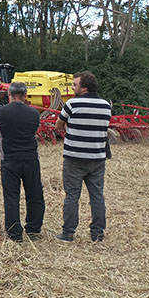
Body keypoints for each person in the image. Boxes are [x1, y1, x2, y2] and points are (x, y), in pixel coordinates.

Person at [54, 71, 112, 242]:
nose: (72, 87)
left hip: (74, 158)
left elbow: (58, 125)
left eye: (75, 85)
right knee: (97, 196)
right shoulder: (105, 106)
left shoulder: (72, 104)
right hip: (97, 158)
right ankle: (97, 233)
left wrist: (70, 129)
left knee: (72, 196)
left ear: (84, 87)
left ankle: (68, 233)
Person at [0, 82, 44, 242]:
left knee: (11, 197)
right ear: (25, 95)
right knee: (35, 195)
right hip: (31, 159)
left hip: (9, 160)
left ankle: (14, 233)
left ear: (9, 95)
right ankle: (33, 230)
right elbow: (35, 128)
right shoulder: (33, 113)